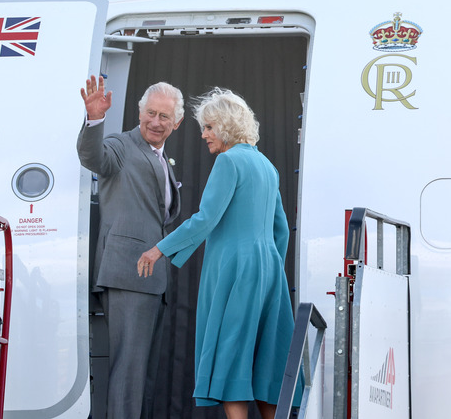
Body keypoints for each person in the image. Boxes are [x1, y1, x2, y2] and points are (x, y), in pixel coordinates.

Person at [137, 88, 301, 419]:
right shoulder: (266, 166)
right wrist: (268, 262)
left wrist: (159, 249)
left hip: (234, 270)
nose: (204, 135)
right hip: (269, 270)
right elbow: (280, 228)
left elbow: (206, 218)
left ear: (226, 126)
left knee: (231, 356)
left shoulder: (228, 161)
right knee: (267, 357)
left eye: (209, 127)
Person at [77, 75, 184, 419]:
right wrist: (95, 119)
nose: (156, 122)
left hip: (152, 279)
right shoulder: (122, 146)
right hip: (127, 273)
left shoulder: (162, 159)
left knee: (144, 377)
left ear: (176, 122)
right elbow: (93, 157)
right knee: (129, 373)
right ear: (140, 113)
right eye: (150, 113)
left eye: (164, 116)